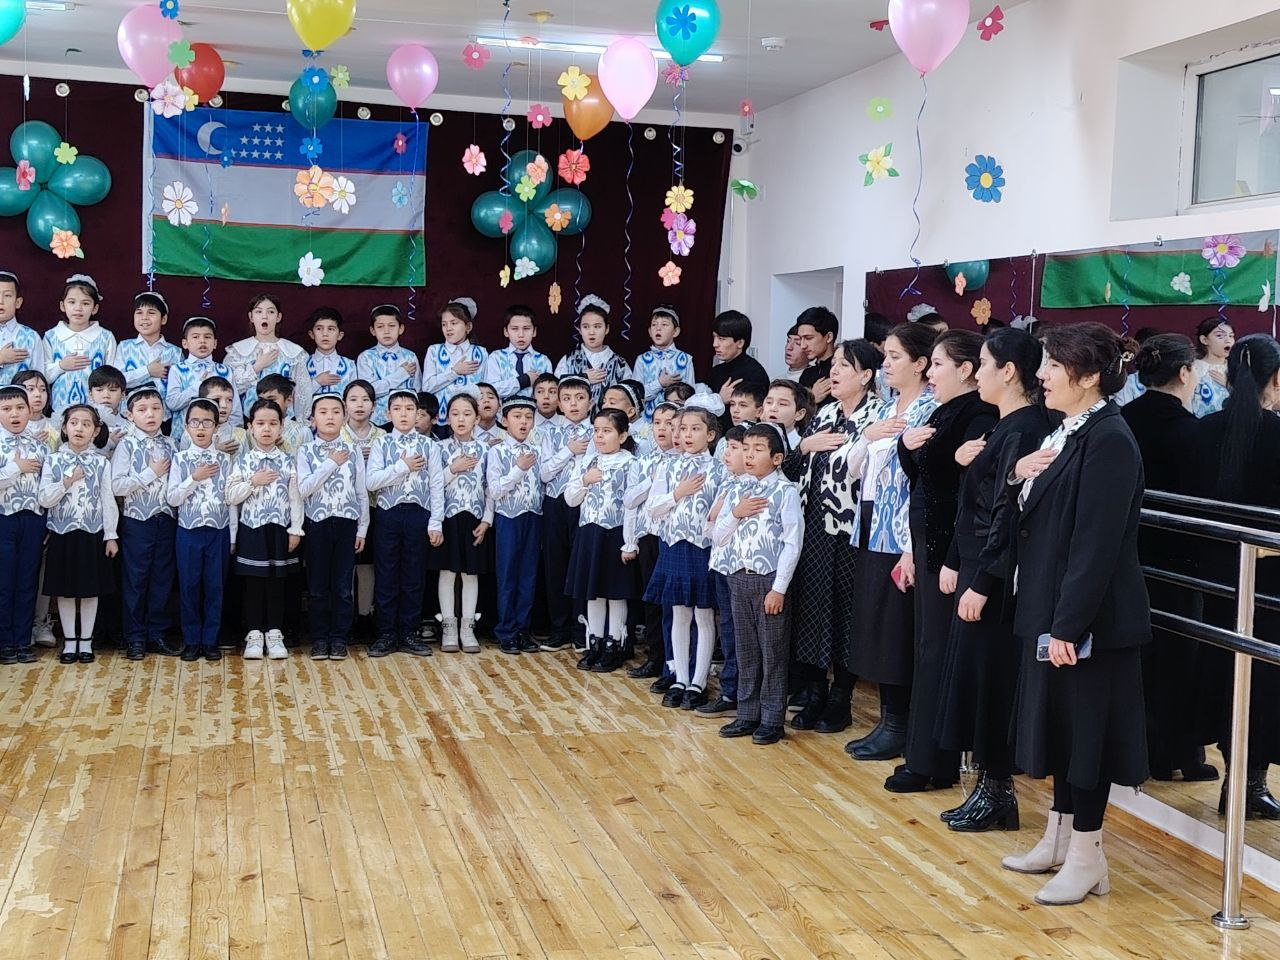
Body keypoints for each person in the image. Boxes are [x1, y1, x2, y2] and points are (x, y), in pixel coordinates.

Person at [1001, 322, 1149, 906]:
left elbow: (1096, 543)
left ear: (1087, 377)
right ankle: (1059, 839)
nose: (1041, 376)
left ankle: (1088, 855)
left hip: (1091, 620)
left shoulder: (1110, 438)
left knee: (1087, 738)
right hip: (1053, 604)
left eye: (1053, 367)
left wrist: (1068, 624)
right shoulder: (1068, 430)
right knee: (1062, 729)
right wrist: (1017, 474)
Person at [936, 328, 1054, 832]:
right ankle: (988, 786)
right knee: (977, 680)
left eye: (984, 364)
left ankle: (999, 791)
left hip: (997, 578)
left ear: (1008, 371)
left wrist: (983, 580)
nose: (978, 373)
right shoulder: (1007, 427)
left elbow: (1007, 514)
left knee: (992, 683)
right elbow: (978, 502)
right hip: (977, 564)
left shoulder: (1025, 429)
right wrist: (954, 560)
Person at [891, 331, 997, 793]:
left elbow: (969, 485)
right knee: (927, 649)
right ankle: (925, 757)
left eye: (937, 364)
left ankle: (932, 761)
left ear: (966, 369)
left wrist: (935, 454)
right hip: (928, 543)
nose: (930, 373)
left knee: (937, 651)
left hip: (949, 548)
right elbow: (922, 473)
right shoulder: (943, 411)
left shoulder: (979, 415)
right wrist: (905, 447)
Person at [1120, 334, 1217, 783]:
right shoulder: (1191, 431)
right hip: (1180, 558)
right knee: (1179, 656)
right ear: (1184, 372)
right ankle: (1177, 751)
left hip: (1128, 552)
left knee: (1136, 654)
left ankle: (1137, 749)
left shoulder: (1124, 419)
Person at [1194, 334, 1280, 819]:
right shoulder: (1275, 434)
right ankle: (1250, 783)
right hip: (1269, 579)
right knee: (1263, 679)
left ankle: (1237, 776)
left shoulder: (1202, 431)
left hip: (1214, 576)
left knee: (1224, 674)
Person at [844, 322, 939, 761]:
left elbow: (918, 477)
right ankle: (887, 719)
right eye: (885, 355)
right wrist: (866, 438)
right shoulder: (883, 409)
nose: (886, 364)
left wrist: (911, 545)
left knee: (897, 631)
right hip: (872, 525)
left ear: (920, 364)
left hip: (904, 532)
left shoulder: (930, 409)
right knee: (876, 628)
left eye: (895, 356)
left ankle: (902, 724)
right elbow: (853, 468)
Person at [789, 339, 885, 731]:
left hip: (852, 530)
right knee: (811, 607)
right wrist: (805, 444)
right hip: (813, 526)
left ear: (866, 375)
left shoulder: (879, 414)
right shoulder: (824, 413)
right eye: (836, 364)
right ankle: (814, 693)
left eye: (845, 365)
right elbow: (791, 467)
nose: (835, 370)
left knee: (847, 610)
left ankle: (841, 698)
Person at [714, 422, 804, 745]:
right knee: (746, 649)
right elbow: (718, 535)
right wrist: (736, 513)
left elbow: (792, 543)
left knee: (773, 651)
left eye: (758, 450)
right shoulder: (737, 488)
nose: (749, 456)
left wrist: (779, 588)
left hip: (769, 581)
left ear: (777, 458)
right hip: (739, 576)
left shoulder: (786, 492)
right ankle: (747, 713)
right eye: (746, 449)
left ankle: (772, 719)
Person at [645, 401, 725, 710]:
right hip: (673, 545)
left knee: (703, 615)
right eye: (682, 429)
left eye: (695, 429)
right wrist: (677, 493)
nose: (687, 435)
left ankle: (698, 682)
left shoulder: (719, 469)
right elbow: (653, 507)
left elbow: (721, 512)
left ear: (711, 434)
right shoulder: (669, 466)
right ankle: (679, 677)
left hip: (703, 548)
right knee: (679, 614)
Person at [365, 390, 444, 656]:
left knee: (414, 575)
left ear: (418, 413)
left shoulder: (430, 445)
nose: (403, 413)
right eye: (397, 409)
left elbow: (436, 484)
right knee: (386, 574)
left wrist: (436, 522)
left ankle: (409, 632)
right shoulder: (381, 443)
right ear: (388, 414)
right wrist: (403, 467)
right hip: (388, 514)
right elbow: (371, 482)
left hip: (419, 514)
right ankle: (386, 633)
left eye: (409, 409)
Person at [38, 404, 118, 664]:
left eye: (86, 424)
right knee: (65, 590)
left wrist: (110, 535)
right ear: (64, 428)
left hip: (92, 533)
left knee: (90, 590)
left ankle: (86, 641)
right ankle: (70, 641)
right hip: (62, 533)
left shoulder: (101, 462)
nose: (79, 428)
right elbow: (45, 498)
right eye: (73, 423)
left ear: (95, 431)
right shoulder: (53, 460)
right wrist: (67, 481)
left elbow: (107, 499)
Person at [225, 399, 305, 661]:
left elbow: (295, 498)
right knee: (253, 583)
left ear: (281, 427)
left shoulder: (288, 461)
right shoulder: (243, 461)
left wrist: (295, 529)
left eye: (273, 423)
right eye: (260, 423)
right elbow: (231, 496)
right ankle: (253, 635)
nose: (266, 429)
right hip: (252, 530)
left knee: (277, 583)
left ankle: (274, 633)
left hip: (279, 530)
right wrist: (253, 481)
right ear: (250, 427)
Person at [564, 408, 643, 672]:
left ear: (622, 436)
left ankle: (614, 644)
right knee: (594, 591)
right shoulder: (587, 462)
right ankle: (594, 642)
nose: (599, 436)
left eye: (606, 431)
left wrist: (630, 542)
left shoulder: (631, 463)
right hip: (590, 532)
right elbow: (570, 499)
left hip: (616, 533)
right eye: (596, 431)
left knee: (615, 592)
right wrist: (584, 481)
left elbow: (632, 505)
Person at [297, 394, 368, 662]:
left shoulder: (353, 451)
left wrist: (362, 529)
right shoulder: (305, 451)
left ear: (344, 417)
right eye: (323, 412)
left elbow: (361, 493)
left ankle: (339, 638)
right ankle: (319, 638)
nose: (330, 416)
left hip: (347, 523)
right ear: (312, 419)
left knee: (342, 585)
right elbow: (304, 489)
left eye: (336, 412)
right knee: (318, 585)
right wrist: (330, 463)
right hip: (317, 523)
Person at [111, 387, 178, 660]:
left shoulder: (172, 444)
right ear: (130, 415)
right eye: (142, 409)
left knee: (162, 578)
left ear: (164, 412)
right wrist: (150, 473)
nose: (150, 414)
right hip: (137, 520)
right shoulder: (127, 445)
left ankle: (156, 634)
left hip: (167, 519)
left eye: (155, 408)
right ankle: (135, 637)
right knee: (135, 579)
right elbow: (117, 485)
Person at [168, 398, 236, 662]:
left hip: (218, 531)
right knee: (189, 586)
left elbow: (231, 500)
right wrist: (193, 479)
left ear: (216, 427)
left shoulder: (226, 460)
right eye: (195, 422)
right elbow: (173, 498)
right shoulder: (180, 459)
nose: (200, 428)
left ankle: (210, 640)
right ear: (186, 427)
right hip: (188, 530)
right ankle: (191, 640)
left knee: (214, 587)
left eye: (207, 423)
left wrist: (232, 536)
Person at [431, 392, 492, 654]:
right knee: (447, 573)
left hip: (475, 519)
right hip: (448, 518)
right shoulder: (439, 448)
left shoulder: (486, 449)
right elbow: (433, 485)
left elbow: (490, 488)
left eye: (467, 414)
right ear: (447, 418)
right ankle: (448, 626)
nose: (461, 419)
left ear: (477, 418)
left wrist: (487, 520)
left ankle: (468, 628)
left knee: (470, 574)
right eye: (455, 414)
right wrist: (452, 469)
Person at [538, 375, 594, 652]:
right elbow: (544, 473)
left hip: (584, 503)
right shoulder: (550, 434)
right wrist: (568, 451)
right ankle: (559, 628)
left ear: (590, 402)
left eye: (580, 398)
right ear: (559, 404)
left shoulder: (597, 431)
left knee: (581, 565)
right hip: (554, 503)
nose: (574, 404)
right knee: (556, 564)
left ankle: (581, 628)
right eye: (567, 399)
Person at [627, 401, 681, 680]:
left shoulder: (684, 461)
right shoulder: (643, 460)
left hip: (674, 538)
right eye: (657, 422)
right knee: (652, 600)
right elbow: (629, 500)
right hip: (649, 536)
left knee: (675, 604)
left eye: (669, 423)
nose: (662, 429)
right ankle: (655, 656)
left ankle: (675, 663)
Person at [487, 396, 544, 655]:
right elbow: (495, 490)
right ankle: (506, 630)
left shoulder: (537, 451)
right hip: (508, 518)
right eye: (517, 416)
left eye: (528, 417)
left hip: (533, 516)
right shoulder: (497, 452)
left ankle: (523, 628)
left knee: (528, 575)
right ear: (504, 420)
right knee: (508, 574)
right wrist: (518, 470)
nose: (523, 422)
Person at [0, 384, 46, 664]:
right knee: (4, 581)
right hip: (4, 518)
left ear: (30, 411)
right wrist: (17, 467)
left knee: (28, 581)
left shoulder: (39, 446)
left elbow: (47, 485)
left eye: (20, 408)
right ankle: (5, 642)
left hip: (33, 519)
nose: (14, 414)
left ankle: (23, 640)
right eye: (6, 409)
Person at [340, 380, 384, 639]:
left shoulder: (383, 437)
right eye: (354, 399)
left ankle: (365, 615)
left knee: (367, 564)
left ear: (374, 406)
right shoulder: (336, 434)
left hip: (375, 505)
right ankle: (346, 616)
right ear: (345, 404)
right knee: (345, 564)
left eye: (365, 400)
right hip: (344, 508)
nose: (360, 405)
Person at [44, 274, 117, 414]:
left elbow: (113, 375)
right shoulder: (51, 336)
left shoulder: (105, 337)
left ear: (95, 308)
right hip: (60, 409)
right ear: (62, 305)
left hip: (96, 411)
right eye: (72, 302)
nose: (78, 308)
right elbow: (43, 376)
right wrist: (61, 366)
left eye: (85, 303)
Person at [224, 293, 307, 409]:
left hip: (284, 417)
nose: (264, 316)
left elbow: (302, 392)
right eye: (259, 312)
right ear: (251, 317)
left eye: (270, 312)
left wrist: (300, 418)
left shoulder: (293, 352)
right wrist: (256, 368)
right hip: (247, 417)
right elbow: (228, 389)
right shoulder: (238, 351)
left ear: (278, 317)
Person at [112, 291, 182, 423]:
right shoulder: (124, 347)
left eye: (151, 313)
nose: (144, 318)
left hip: (164, 419)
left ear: (163, 319)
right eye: (139, 313)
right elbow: (116, 382)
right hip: (129, 418)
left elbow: (179, 388)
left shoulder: (175, 352)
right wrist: (148, 371)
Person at [555, 295, 633, 408]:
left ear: (607, 329)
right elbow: (556, 391)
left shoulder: (620, 363)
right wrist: (583, 378)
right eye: (586, 327)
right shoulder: (568, 360)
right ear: (579, 329)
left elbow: (629, 398)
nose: (591, 332)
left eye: (597, 326)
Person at [166, 317, 236, 433]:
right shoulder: (177, 369)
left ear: (215, 343)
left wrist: (235, 433)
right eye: (195, 337)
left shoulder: (225, 371)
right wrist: (198, 386)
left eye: (207, 337)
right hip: (184, 435)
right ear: (185, 343)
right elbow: (172, 403)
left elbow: (235, 407)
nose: (202, 341)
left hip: (220, 434)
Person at [422, 298, 489, 417]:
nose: (448, 328)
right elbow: (427, 388)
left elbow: (485, 389)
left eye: (454, 323)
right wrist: (454, 372)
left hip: (471, 419)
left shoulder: (481, 352)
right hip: (441, 417)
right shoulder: (434, 351)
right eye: (444, 324)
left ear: (468, 327)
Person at [356, 304, 420, 427]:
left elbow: (417, 390)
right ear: (373, 330)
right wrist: (401, 374)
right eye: (380, 327)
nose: (386, 331)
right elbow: (368, 392)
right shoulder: (365, 357)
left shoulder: (410, 356)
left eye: (391, 326)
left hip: (405, 420)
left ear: (401, 329)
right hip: (375, 421)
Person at [705, 310, 769, 432]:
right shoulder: (716, 371)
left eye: (721, 339)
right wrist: (719, 399)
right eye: (714, 337)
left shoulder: (754, 373)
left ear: (740, 343)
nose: (715, 344)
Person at [635, 306, 695, 420]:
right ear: (649, 331)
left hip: (677, 420)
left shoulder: (686, 359)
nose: (658, 328)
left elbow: (691, 397)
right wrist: (659, 383)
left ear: (675, 331)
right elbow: (636, 395)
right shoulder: (642, 360)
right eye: (654, 325)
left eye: (664, 324)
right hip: (647, 422)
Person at [482, 305, 552, 402]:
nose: (521, 334)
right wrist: (523, 380)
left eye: (526, 328)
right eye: (515, 329)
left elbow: (548, 393)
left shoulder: (543, 360)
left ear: (534, 331)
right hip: (503, 411)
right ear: (506, 331)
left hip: (533, 411)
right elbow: (491, 391)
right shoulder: (496, 357)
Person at [300, 306, 356, 416]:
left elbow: (355, 397)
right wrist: (316, 382)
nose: (325, 334)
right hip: (309, 421)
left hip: (341, 421)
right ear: (312, 334)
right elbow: (296, 398)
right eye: (319, 329)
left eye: (331, 329)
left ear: (340, 335)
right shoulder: (302, 363)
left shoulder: (350, 365)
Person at [0, 270, 44, 387]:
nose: (1, 301)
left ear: (18, 302)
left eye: (7, 295)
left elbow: (39, 379)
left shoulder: (31, 337)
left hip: (21, 398)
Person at [256, 373, 311, 454]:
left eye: (271, 400)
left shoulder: (303, 432)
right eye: (261, 400)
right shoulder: (252, 432)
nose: (266, 404)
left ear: (288, 401)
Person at [1191, 317, 1234, 418]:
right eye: (1220, 336)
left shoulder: (1237, 368)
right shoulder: (1194, 369)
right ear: (1204, 340)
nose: (1228, 340)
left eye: (1231, 336)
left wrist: (1229, 385)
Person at [796, 306, 839, 407]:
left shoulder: (840, 371)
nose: (803, 345)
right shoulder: (807, 375)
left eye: (808, 338)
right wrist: (812, 398)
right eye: (800, 339)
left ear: (829, 337)